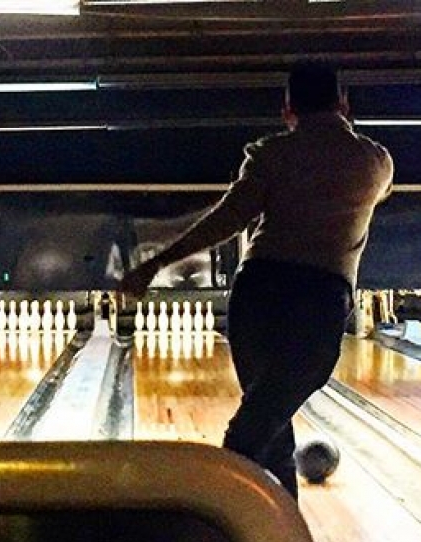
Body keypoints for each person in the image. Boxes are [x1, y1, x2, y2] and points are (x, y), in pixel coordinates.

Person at [120, 61, 394, 500]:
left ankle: (233, 505)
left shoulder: (270, 154)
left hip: (258, 292)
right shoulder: (376, 161)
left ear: (287, 108)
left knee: (265, 423)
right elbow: (371, 191)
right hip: (320, 298)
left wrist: (156, 263)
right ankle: (241, 512)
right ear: (344, 103)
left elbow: (226, 221)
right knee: (265, 424)